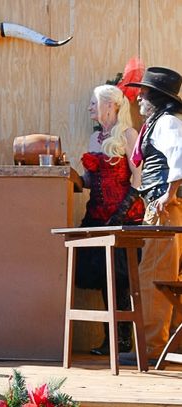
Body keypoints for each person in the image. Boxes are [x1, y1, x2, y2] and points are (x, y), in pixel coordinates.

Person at [76, 84, 144, 356]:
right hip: (97, 216)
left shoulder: (128, 135)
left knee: (120, 277)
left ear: (110, 105)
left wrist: (121, 212)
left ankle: (124, 340)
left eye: (94, 102)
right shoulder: (95, 140)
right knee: (104, 277)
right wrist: (73, 178)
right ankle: (112, 339)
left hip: (124, 216)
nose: (90, 107)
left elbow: (138, 179)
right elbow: (92, 181)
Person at [120, 66, 182, 362]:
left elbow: (180, 155)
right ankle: (162, 347)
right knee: (161, 274)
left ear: (156, 98)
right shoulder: (158, 123)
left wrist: (168, 195)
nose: (139, 100)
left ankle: (151, 348)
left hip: (164, 208)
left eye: (143, 95)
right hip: (159, 206)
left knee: (155, 275)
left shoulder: (167, 122)